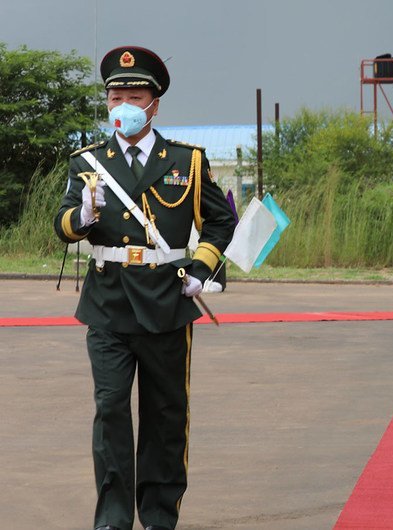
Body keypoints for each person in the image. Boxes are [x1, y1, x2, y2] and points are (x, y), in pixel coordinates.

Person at [53, 46, 236, 530]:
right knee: (110, 409)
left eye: (134, 95)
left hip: (165, 303)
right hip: (108, 302)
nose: (124, 105)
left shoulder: (187, 162)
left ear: (154, 104)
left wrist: (202, 266)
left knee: (165, 415)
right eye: (116, 96)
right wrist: (83, 217)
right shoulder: (88, 162)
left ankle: (158, 516)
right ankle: (113, 518)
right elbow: (63, 222)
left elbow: (220, 221)